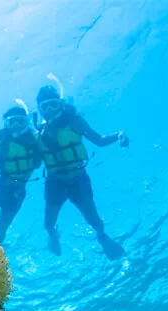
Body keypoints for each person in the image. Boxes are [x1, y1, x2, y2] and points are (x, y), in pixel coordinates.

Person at [35, 85, 129, 260]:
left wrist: (118, 135)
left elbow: (99, 140)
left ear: (60, 104)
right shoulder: (38, 135)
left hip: (78, 180)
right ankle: (54, 235)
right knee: (48, 224)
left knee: (94, 220)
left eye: (53, 105)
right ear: (39, 110)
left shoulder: (75, 122)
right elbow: (34, 163)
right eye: (44, 107)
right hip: (55, 183)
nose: (49, 110)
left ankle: (102, 237)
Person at [0, 105, 42, 243]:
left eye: (20, 121)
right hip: (0, 188)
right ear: (7, 124)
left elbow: (39, 162)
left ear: (27, 122)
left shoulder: (34, 141)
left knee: (0, 231)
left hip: (18, 193)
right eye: (12, 122)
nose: (16, 126)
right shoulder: (0, 144)